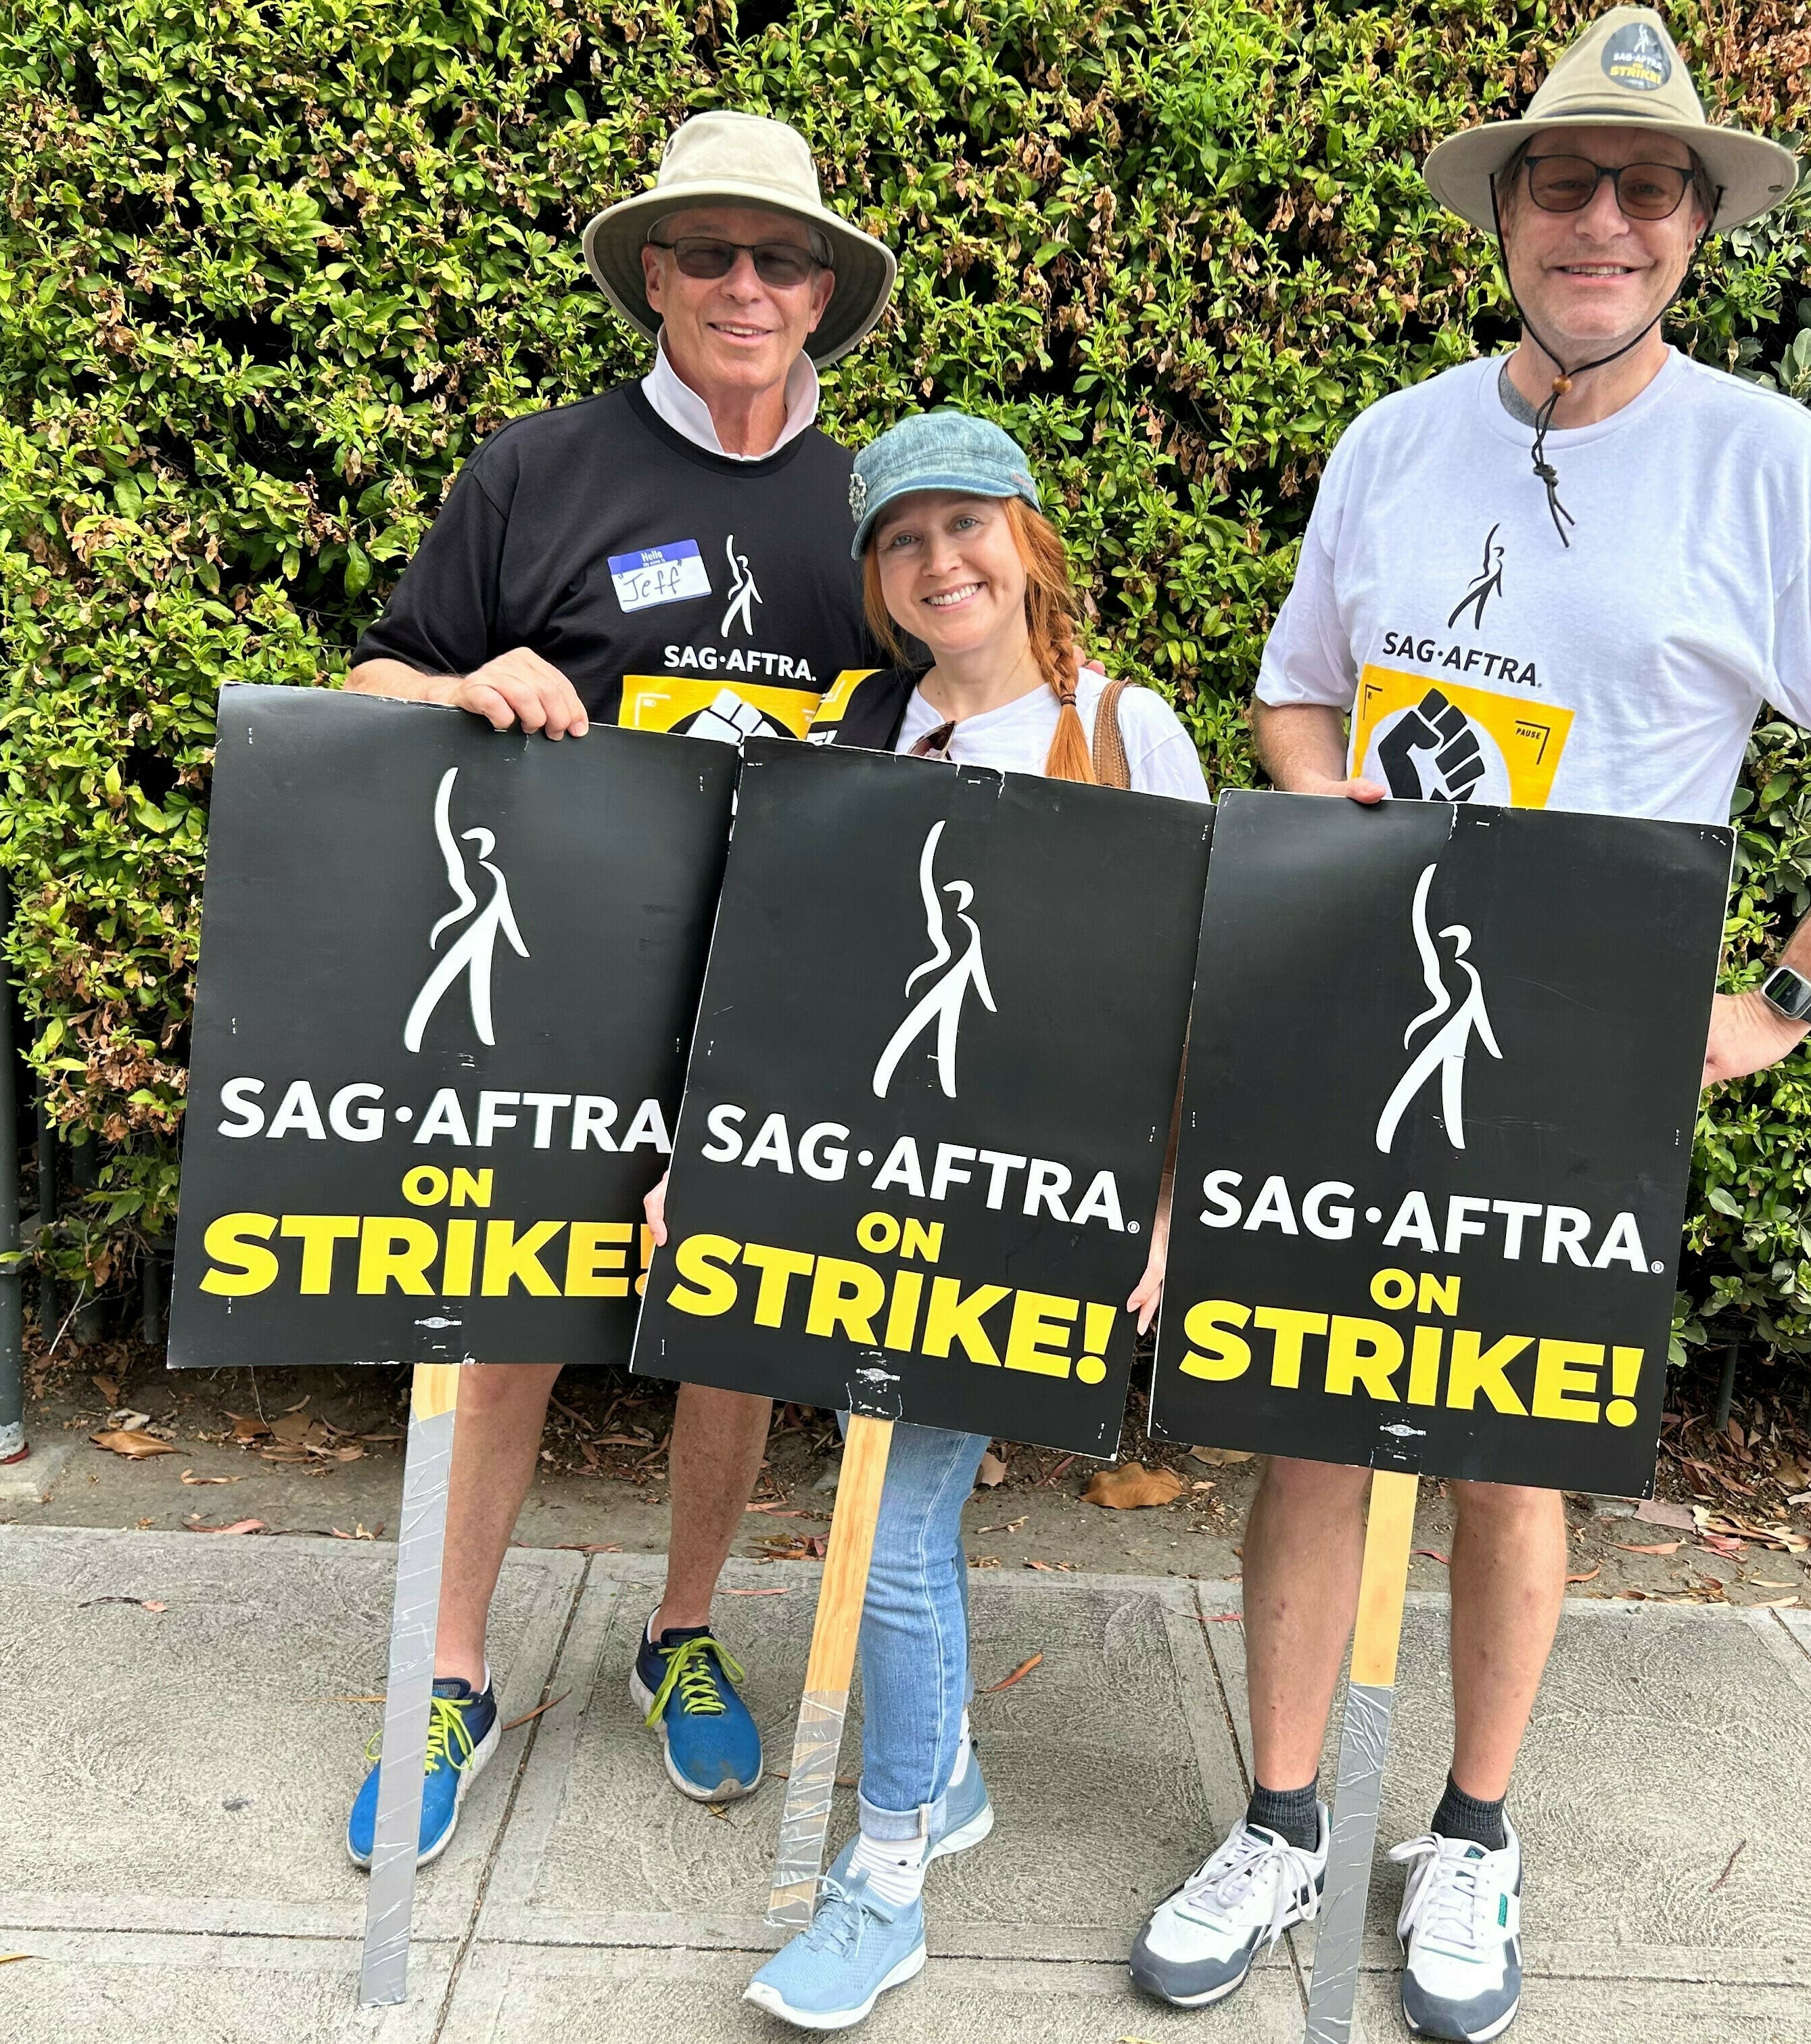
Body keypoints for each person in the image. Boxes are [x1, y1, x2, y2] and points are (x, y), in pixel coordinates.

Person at [1128, 10, 1811, 2039]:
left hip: (1575, 1051)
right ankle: (1277, 1817)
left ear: (1691, 226)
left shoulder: (1763, 464)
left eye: (1645, 188)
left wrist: (1775, 1000)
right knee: (1307, 1417)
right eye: (1562, 183)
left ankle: (1473, 1833)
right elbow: (1292, 690)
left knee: (1514, 1454)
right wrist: (1324, 781)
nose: (1600, 220)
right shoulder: (1392, 436)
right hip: (1355, 1005)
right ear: (1504, 212)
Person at [340, 110, 897, 1868]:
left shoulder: (883, 510)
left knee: (725, 1330)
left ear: (822, 290)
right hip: (549, 987)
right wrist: (459, 686)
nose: (747, 284)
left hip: (777, 1000)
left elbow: (956, 731)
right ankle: (448, 1672)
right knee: (506, 1316)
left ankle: (677, 1629)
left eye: (780, 256)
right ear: (652, 271)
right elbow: (369, 683)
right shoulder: (536, 472)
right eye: (711, 252)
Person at [640, 409, 1209, 2029]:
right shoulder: (861, 740)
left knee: (887, 1524)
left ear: (1031, 540)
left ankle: (882, 1874)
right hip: (858, 1204)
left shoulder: (1122, 726)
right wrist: (711, 1164)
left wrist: (1159, 1220)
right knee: (905, 1515)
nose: (939, 559)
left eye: (967, 524)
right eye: (903, 538)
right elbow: (786, 990)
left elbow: (1186, 998)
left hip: (1032, 1211)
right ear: (879, 582)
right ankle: (940, 1768)